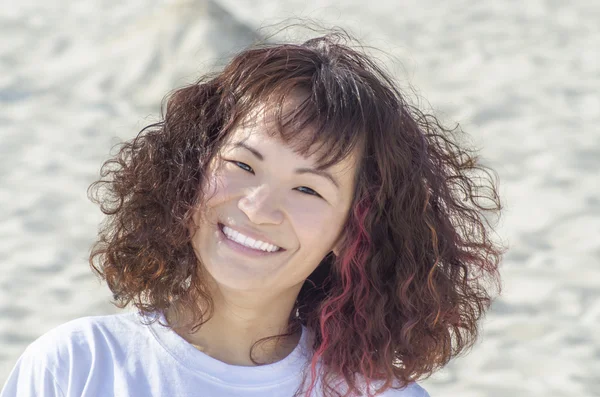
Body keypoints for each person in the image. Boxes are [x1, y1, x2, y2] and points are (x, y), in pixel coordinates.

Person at [1, 30, 506, 397]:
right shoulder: (77, 366)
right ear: (192, 169)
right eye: (243, 164)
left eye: (308, 190)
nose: (259, 208)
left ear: (350, 231)